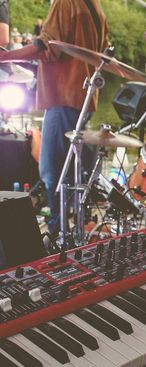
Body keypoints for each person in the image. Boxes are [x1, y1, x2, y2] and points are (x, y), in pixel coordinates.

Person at [0, 0, 109, 234]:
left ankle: (59, 234)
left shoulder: (64, 2)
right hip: (84, 96)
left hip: (64, 96)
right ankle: (71, 229)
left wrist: (4, 58)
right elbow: (102, 48)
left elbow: (45, 46)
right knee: (68, 171)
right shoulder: (94, 6)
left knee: (52, 172)